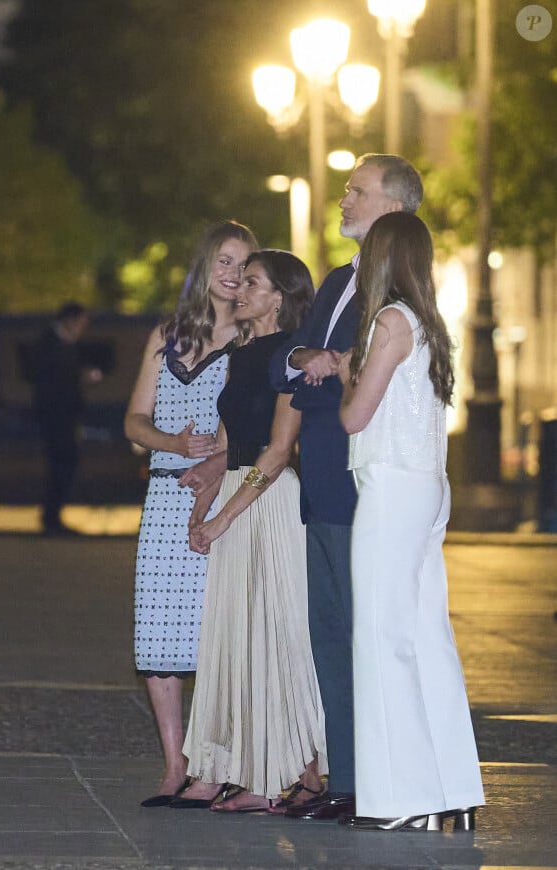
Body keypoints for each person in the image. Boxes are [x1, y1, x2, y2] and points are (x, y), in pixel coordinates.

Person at [268, 154, 423, 820]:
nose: (343, 199)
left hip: (370, 482)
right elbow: (283, 364)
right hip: (321, 480)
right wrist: (314, 358)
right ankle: (347, 781)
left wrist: (334, 365)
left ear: (392, 206)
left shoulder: (402, 292)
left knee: (370, 636)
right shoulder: (336, 281)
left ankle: (385, 779)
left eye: (357, 191)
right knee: (330, 634)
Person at [338, 212, 485, 831]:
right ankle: (454, 785)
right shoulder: (429, 323)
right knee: (427, 637)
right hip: (428, 485)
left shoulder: (388, 322)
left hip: (391, 486)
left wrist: (347, 373)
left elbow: (353, 418)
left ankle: (403, 797)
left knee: (381, 636)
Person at [170, 250, 327, 813]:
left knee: (280, 636)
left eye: (252, 282)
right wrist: (203, 506)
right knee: (237, 638)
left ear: (279, 297)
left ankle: (297, 774)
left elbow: (279, 452)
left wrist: (222, 516)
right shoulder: (241, 353)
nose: (238, 289)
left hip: (269, 501)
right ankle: (244, 771)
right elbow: (224, 445)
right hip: (239, 493)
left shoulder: (285, 356)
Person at [124, 220, 258, 807]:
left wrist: (219, 453)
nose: (233, 275)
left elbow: (268, 430)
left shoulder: (254, 342)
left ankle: (218, 761)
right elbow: (133, 423)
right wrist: (172, 444)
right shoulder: (167, 336)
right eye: (225, 262)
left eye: (244, 266)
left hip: (225, 496)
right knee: (158, 633)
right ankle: (174, 763)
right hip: (164, 495)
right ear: (205, 266)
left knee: (217, 634)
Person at [32, 302, 94, 536]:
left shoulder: (61, 344)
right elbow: (54, 384)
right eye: (80, 323)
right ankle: (51, 518)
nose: (82, 329)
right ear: (70, 320)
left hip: (61, 416)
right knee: (62, 464)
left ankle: (52, 516)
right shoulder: (52, 345)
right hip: (56, 418)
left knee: (62, 464)